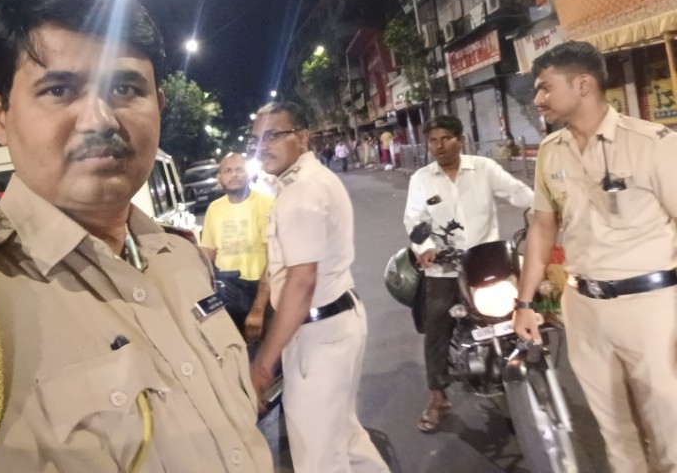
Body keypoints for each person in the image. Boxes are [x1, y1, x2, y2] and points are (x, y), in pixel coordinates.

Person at [0, 0, 273, 473]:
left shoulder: (182, 257)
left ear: (159, 106)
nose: (99, 119)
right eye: (59, 90)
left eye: (125, 88)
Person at [514, 41, 677, 473]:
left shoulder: (653, 144)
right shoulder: (551, 150)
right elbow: (543, 227)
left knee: (670, 432)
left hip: (652, 308)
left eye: (545, 87)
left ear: (583, 84)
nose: (538, 99)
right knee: (616, 433)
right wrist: (525, 302)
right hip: (583, 307)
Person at [248, 102, 389, 473]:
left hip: (318, 336)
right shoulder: (313, 180)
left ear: (302, 137)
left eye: (273, 135)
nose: (262, 147)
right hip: (338, 321)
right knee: (345, 436)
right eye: (256, 139)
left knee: (318, 457)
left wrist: (263, 364)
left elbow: (302, 281)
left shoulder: (301, 192)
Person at [404, 114, 533, 433]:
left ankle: (522, 380)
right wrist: (426, 247)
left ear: (460, 140)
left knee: (519, 313)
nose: (439, 146)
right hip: (444, 268)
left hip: (487, 263)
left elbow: (517, 192)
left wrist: (542, 210)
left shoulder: (484, 168)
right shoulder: (422, 178)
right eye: (433, 141)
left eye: (446, 138)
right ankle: (438, 397)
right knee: (437, 329)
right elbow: (414, 219)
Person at [201, 152, 274, 356]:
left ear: (248, 174)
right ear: (219, 177)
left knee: (265, 355)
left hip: (260, 289)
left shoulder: (267, 204)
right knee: (228, 353)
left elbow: (274, 260)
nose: (234, 175)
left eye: (239, 170)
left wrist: (258, 309)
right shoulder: (214, 209)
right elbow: (207, 255)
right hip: (226, 289)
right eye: (228, 171)